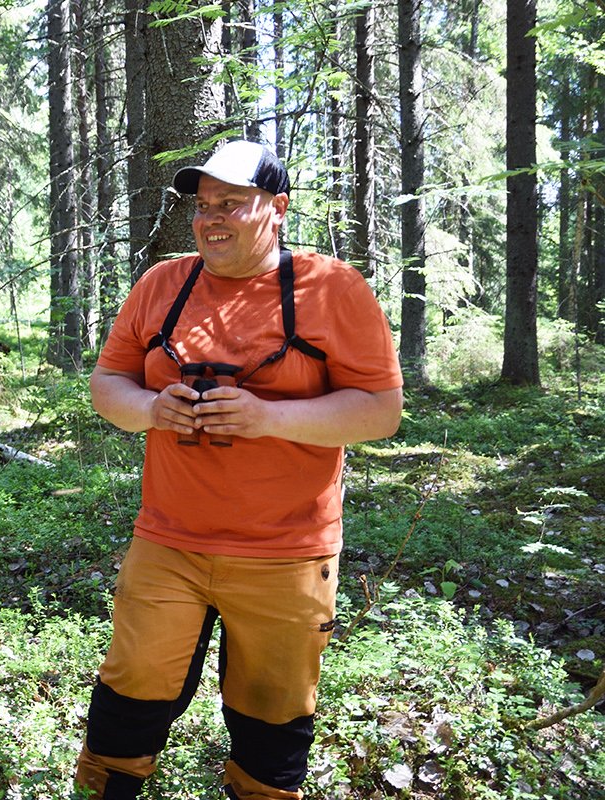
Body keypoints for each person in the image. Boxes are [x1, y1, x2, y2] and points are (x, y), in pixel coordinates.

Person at [74, 141, 403, 800]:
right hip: (168, 540)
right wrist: (151, 408)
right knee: (130, 694)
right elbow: (108, 383)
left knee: (272, 718)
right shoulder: (162, 285)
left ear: (277, 209)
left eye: (231, 203)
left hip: (287, 551)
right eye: (203, 205)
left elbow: (380, 411)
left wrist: (267, 418)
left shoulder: (330, 288)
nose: (211, 218)